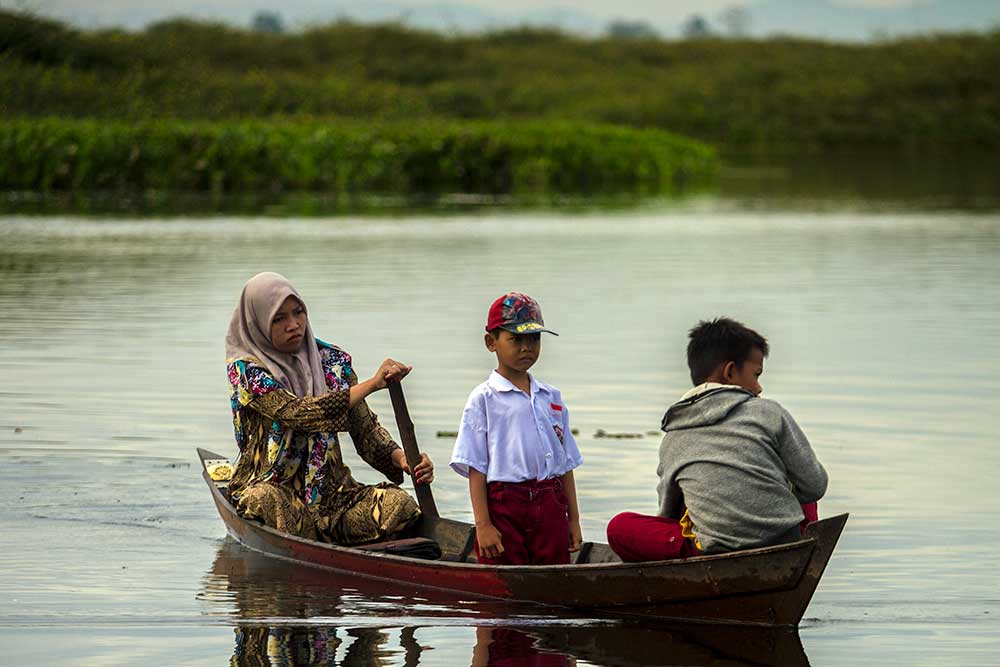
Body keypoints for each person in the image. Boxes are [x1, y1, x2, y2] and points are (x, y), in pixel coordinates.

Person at [224, 271, 434, 545]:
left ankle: (331, 540)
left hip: (333, 499)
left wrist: (403, 459)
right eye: (279, 318)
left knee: (399, 505)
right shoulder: (247, 372)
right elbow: (299, 413)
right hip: (274, 491)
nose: (293, 324)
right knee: (267, 502)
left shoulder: (333, 363)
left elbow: (366, 430)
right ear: (258, 323)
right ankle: (317, 544)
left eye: (298, 312)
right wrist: (371, 384)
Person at [607, 317, 827, 561]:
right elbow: (815, 485)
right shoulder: (769, 412)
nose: (759, 388)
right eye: (756, 375)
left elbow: (667, 512)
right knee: (799, 482)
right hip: (784, 540)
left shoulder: (674, 434)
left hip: (716, 549)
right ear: (730, 371)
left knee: (619, 526)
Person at [449, 292, 584, 565]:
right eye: (516, 339)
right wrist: (483, 525)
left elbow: (565, 464)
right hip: (505, 504)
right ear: (491, 342)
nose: (527, 348)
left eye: (534, 339)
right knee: (503, 575)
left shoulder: (551, 397)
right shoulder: (484, 399)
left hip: (550, 502)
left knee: (555, 573)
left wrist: (574, 520)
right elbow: (475, 466)